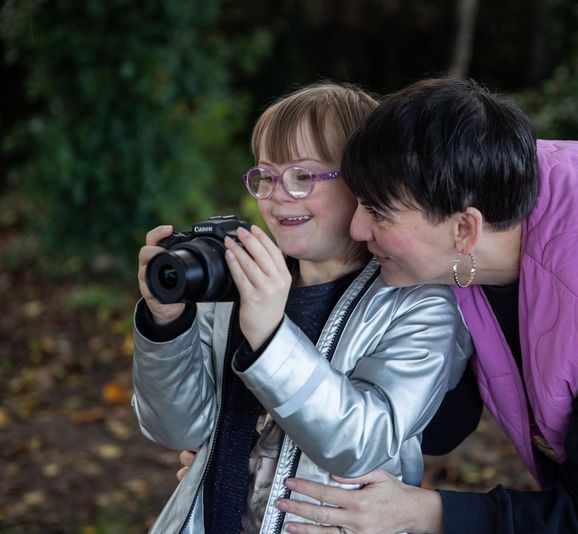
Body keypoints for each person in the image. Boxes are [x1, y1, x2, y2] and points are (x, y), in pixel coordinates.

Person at [273, 78, 578, 533]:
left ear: (465, 229)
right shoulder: (467, 193)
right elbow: (444, 422)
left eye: (379, 213)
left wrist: (425, 513)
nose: (357, 229)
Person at [131, 82, 475, 533]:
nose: (276, 194)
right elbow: (177, 429)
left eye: (302, 177)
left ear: (365, 182)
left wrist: (272, 337)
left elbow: (360, 443)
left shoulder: (416, 305)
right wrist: (166, 325)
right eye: (266, 176)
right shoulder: (240, 280)